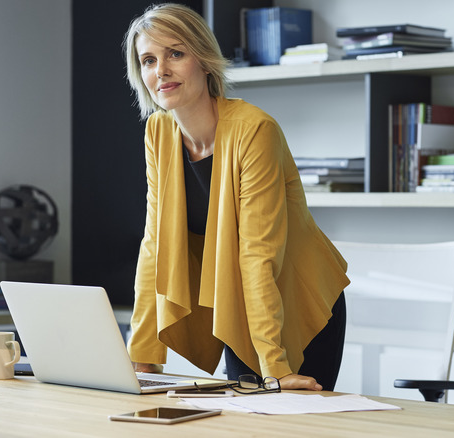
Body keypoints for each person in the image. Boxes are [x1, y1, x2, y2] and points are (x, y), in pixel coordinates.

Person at [123, 3, 350, 391]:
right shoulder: (158, 134)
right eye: (148, 59)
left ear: (205, 60)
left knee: (298, 427)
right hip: (237, 305)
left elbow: (257, 254)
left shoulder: (254, 131)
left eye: (175, 53)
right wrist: (141, 355)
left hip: (295, 299)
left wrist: (276, 368)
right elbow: (154, 245)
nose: (160, 71)